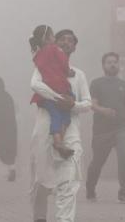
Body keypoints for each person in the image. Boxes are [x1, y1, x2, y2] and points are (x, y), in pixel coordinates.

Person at [30, 29, 91, 222]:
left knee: (69, 182)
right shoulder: (44, 66)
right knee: (42, 182)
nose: (66, 43)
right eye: (62, 39)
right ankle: (40, 217)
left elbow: (87, 103)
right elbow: (35, 85)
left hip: (70, 133)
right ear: (54, 43)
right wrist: (58, 99)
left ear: (74, 47)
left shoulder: (78, 75)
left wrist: (73, 104)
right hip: (44, 132)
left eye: (70, 41)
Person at [85, 52, 125, 204]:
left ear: (118, 65)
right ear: (103, 65)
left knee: (124, 158)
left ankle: (124, 193)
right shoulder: (96, 83)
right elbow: (92, 104)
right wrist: (104, 110)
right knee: (97, 162)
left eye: (115, 62)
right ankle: (90, 189)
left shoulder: (124, 85)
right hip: (102, 130)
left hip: (122, 128)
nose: (112, 64)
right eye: (109, 62)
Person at [30, 25, 75, 158]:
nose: (55, 38)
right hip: (60, 90)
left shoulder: (38, 54)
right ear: (47, 38)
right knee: (65, 117)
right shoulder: (55, 49)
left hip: (43, 98)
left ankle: (58, 142)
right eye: (53, 35)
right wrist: (68, 72)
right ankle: (59, 141)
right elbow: (63, 63)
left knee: (56, 115)